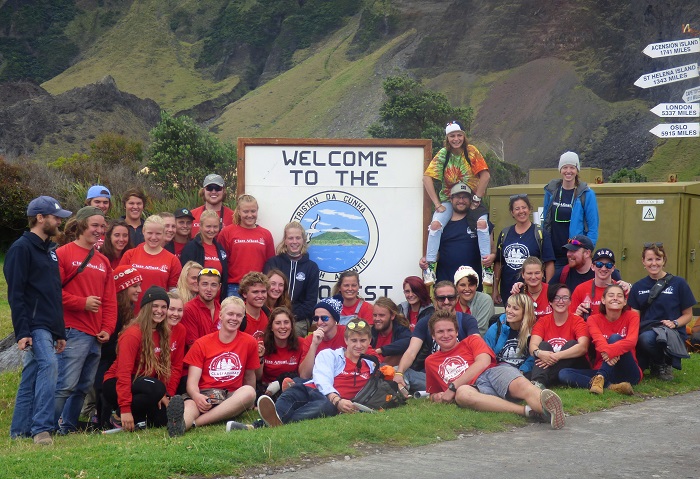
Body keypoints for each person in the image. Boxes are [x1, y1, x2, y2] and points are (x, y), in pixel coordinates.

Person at [425, 309, 565, 429]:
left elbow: (483, 361)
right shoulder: (430, 361)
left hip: (492, 373)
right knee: (462, 395)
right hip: (473, 388)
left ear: (456, 332)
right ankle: (528, 411)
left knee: (522, 385)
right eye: (440, 332)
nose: (446, 335)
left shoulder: (471, 341)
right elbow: (433, 392)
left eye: (450, 330)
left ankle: (549, 408)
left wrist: (453, 387)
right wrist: (436, 397)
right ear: (433, 336)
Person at [5, 196, 71, 445]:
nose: (58, 221)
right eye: (55, 217)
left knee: (31, 374)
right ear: (40, 218)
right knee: (49, 366)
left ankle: (19, 430)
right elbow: (16, 294)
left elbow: (53, 294)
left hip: (48, 325)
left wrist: (60, 331)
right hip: (34, 325)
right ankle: (41, 429)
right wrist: (22, 331)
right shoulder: (21, 249)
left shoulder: (50, 251)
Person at [55, 206, 117, 435]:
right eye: (95, 225)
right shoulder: (63, 253)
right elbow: (52, 293)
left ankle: (67, 428)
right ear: (81, 225)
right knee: (65, 385)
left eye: (103, 226)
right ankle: (47, 428)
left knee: (82, 386)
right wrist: (81, 303)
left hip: (95, 335)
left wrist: (108, 329)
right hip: (72, 330)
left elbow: (110, 301)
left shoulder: (102, 261)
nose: (100, 230)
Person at [254, 318, 376, 427]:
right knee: (292, 394)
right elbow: (322, 380)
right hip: (313, 391)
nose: (358, 345)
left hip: (328, 403)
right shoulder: (330, 355)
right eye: (354, 340)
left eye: (363, 340)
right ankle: (271, 422)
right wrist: (337, 400)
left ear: (369, 340)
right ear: (346, 340)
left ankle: (262, 425)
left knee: (326, 407)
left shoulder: (372, 366)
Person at [166, 296, 257, 436]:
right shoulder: (202, 343)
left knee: (249, 392)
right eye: (230, 314)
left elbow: (250, 376)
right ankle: (179, 425)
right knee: (189, 405)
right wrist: (196, 396)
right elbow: (192, 382)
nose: (234, 318)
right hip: (205, 394)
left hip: (230, 396)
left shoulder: (249, 342)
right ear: (221, 315)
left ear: (243, 317)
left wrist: (250, 403)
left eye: (239, 315)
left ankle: (197, 422)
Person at [102, 286, 185, 431]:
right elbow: (123, 372)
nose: (160, 310)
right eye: (155, 306)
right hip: (116, 384)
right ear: (146, 307)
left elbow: (171, 368)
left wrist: (167, 395)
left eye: (164, 307)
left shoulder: (164, 332)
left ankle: (135, 420)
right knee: (156, 387)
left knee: (161, 419)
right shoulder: (133, 333)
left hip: (145, 385)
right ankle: (119, 415)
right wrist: (126, 408)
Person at [422, 121, 491, 286]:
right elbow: (426, 178)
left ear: (464, 136)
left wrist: (477, 198)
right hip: (449, 199)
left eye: (459, 135)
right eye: (452, 136)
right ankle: (430, 268)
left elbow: (485, 175)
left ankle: (486, 270)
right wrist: (437, 204)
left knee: (482, 224)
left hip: (472, 198)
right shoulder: (443, 154)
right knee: (435, 226)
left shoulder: (471, 151)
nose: (456, 139)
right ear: (447, 138)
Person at [393, 280, 481, 394]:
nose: (446, 301)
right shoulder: (425, 322)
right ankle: (402, 392)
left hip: (464, 374)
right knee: (397, 370)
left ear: (457, 298)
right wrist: (399, 373)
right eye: (441, 298)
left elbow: (478, 347)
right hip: (436, 376)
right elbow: (411, 352)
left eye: (450, 297)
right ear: (435, 300)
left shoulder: (467, 320)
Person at [628, 243, 696, 380]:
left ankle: (663, 364)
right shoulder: (638, 287)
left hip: (672, 332)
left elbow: (688, 314)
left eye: (658, 259)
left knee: (647, 339)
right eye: (650, 259)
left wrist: (675, 323)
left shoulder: (679, 283)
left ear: (664, 260)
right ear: (643, 261)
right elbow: (634, 318)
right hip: (647, 329)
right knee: (642, 349)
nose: (654, 263)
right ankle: (653, 361)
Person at [559, 284, 641, 395]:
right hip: (603, 368)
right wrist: (610, 351)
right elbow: (599, 342)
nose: (615, 298)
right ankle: (610, 386)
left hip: (629, 372)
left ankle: (601, 379)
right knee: (564, 373)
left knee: (615, 338)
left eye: (619, 296)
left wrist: (610, 351)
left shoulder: (632, 316)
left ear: (625, 301)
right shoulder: (593, 319)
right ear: (603, 300)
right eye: (611, 295)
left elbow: (631, 341)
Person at [94, 265, 143, 428]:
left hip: (113, 362)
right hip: (105, 363)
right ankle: (104, 422)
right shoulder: (113, 311)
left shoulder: (128, 308)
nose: (139, 290)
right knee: (103, 392)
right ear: (123, 288)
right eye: (135, 286)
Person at [419, 183, 495, 286]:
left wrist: (492, 257)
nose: (461, 200)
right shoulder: (442, 224)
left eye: (465, 197)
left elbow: (492, 248)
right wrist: (425, 260)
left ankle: (487, 272)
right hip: (445, 283)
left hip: (471, 284)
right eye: (457, 197)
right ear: (451, 199)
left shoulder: (478, 222)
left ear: (470, 199)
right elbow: (436, 253)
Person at [493, 194, 555, 305]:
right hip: (508, 290)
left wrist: (548, 289)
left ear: (529, 209)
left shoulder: (540, 234)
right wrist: (495, 289)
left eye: (524, 207)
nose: (521, 211)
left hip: (533, 290)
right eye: (517, 209)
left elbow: (549, 263)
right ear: (512, 213)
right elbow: (499, 263)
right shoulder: (504, 234)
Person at [542, 151, 599, 269]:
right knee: (554, 287)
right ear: (560, 170)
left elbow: (593, 227)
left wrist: (587, 251)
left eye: (572, 167)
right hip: (553, 255)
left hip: (575, 254)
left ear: (577, 170)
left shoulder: (586, 194)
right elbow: (545, 221)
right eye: (565, 167)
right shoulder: (551, 191)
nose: (568, 171)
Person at [529, 284, 590, 388]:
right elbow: (532, 346)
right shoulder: (543, 321)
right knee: (543, 345)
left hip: (574, 367)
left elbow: (583, 347)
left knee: (572, 344)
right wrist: (540, 353)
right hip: (552, 365)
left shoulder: (578, 321)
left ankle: (539, 381)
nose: (561, 301)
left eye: (565, 298)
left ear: (570, 301)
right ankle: (539, 383)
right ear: (550, 302)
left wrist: (555, 356)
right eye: (556, 298)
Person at [264, 221, 320, 335]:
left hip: (299, 319)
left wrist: (289, 317)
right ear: (285, 240)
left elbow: (310, 301)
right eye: (290, 238)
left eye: (298, 238)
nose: (294, 242)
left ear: (303, 240)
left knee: (293, 333)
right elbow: (264, 292)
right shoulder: (273, 263)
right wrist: (277, 315)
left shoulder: (311, 267)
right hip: (272, 314)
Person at [119, 215, 182, 313]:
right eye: (150, 233)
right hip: (130, 314)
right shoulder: (130, 255)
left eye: (158, 233)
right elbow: (119, 287)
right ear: (143, 232)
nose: (153, 237)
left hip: (157, 315)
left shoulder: (173, 260)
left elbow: (174, 293)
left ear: (164, 234)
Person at [218, 194, 275, 298]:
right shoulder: (227, 232)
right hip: (234, 287)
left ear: (257, 211)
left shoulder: (266, 234)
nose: (250, 215)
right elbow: (221, 262)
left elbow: (270, 264)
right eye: (246, 211)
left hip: (258, 288)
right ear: (239, 211)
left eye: (253, 211)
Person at [180, 210, 228, 301]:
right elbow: (184, 276)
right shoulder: (191, 247)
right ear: (200, 226)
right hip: (196, 301)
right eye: (208, 226)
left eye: (215, 227)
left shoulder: (220, 249)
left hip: (216, 302)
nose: (212, 230)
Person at [484, 293, 537, 377]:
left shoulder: (533, 330)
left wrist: (523, 370)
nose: (509, 311)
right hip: (498, 372)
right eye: (508, 306)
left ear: (525, 312)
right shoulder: (496, 328)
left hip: (523, 373)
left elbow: (533, 357)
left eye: (515, 308)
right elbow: (486, 353)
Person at [569, 248, 630, 320]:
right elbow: (570, 320)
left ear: (613, 268)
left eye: (608, 265)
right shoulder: (580, 289)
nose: (603, 268)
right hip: (587, 330)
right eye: (599, 264)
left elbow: (628, 317)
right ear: (592, 266)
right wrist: (577, 315)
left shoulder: (622, 290)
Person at [550, 235, 620, 292]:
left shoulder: (607, 271)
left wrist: (628, 286)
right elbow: (547, 293)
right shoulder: (564, 273)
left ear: (587, 253)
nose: (568, 254)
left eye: (574, 250)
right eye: (568, 251)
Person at [297, 298, 346, 379]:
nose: (319, 322)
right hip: (318, 381)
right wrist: (314, 345)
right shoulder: (311, 339)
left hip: (343, 379)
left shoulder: (347, 333)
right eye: (316, 319)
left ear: (335, 320)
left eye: (324, 318)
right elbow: (304, 375)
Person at [258, 306, 301, 393]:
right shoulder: (261, 344)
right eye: (278, 323)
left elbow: (304, 375)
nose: (282, 326)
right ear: (271, 327)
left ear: (292, 326)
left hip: (291, 389)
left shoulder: (301, 343)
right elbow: (258, 377)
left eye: (286, 322)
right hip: (266, 388)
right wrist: (260, 357)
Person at [181, 268, 223, 349]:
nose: (209, 289)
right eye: (205, 284)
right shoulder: (189, 309)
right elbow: (193, 347)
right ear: (197, 285)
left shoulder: (223, 310)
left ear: (219, 287)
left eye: (213, 285)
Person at [453, 265, 495, 335]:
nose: (467, 289)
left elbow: (481, 331)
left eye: (471, 285)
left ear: (476, 286)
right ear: (456, 287)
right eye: (462, 285)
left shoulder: (485, 300)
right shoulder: (450, 301)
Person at [370, 297, 412, 366]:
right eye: (375, 315)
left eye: (381, 315)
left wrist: (381, 350)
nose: (377, 319)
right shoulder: (370, 332)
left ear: (392, 316)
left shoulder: (401, 331)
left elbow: (409, 342)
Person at [167, 291, 189, 395]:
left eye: (180, 310)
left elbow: (176, 366)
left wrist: (169, 394)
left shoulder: (180, 330)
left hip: (165, 381)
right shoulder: (151, 329)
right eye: (171, 309)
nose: (176, 314)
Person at [240, 271, 270, 341]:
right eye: (255, 292)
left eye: (263, 292)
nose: (260, 296)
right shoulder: (238, 316)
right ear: (244, 294)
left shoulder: (268, 313)